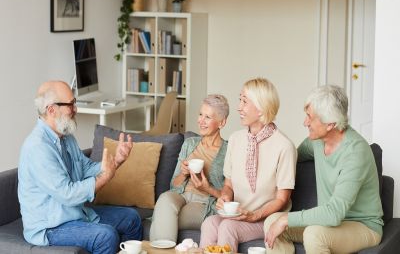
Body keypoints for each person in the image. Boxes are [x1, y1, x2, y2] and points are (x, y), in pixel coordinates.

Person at [18, 81, 142, 254]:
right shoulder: (38, 148)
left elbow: (85, 168)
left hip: (75, 214)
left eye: (74, 102)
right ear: (51, 110)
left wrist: (116, 161)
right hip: (50, 226)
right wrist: (104, 177)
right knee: (105, 236)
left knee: (132, 219)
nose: (75, 109)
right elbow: (67, 194)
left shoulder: (66, 137)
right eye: (70, 104)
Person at [264, 85, 384, 254]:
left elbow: (334, 213)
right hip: (328, 223)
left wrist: (287, 219)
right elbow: (292, 156)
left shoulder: (356, 153)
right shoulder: (316, 142)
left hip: (363, 226)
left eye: (309, 117)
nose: (305, 122)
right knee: (272, 221)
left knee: (314, 235)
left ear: (330, 124)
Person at [200, 78, 297, 252]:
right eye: (240, 100)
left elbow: (283, 199)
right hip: (238, 216)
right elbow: (228, 185)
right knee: (209, 223)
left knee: (227, 227)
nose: (239, 107)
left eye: (244, 101)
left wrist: (255, 215)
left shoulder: (284, 146)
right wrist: (225, 197)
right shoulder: (236, 140)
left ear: (260, 108)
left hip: (265, 220)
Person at [150, 94, 230, 242]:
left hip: (205, 203)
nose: (201, 121)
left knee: (165, 216)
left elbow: (228, 196)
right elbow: (174, 185)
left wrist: (207, 189)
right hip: (181, 196)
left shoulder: (228, 151)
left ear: (221, 122)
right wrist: (183, 173)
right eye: (200, 114)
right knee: (165, 199)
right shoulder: (189, 143)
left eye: (208, 117)